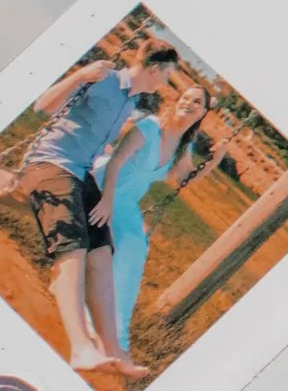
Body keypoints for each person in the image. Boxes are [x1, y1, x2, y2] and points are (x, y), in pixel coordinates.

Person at [13, 37, 183, 371]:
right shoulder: (103, 79)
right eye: (167, 75)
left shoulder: (131, 102)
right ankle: (81, 348)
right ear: (154, 69)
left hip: (80, 174)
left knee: (102, 252)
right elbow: (42, 107)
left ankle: (113, 350)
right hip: (50, 164)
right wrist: (79, 76)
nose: (165, 83)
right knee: (73, 247)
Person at [91, 74, 207, 371]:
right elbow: (115, 162)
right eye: (186, 97)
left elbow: (185, 178)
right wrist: (106, 201)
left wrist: (215, 161)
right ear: (177, 101)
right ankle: (104, 334)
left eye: (197, 102)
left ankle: (117, 344)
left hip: (126, 203)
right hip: (102, 187)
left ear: (203, 112)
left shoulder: (183, 146)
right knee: (124, 249)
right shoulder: (150, 127)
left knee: (134, 254)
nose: (189, 103)